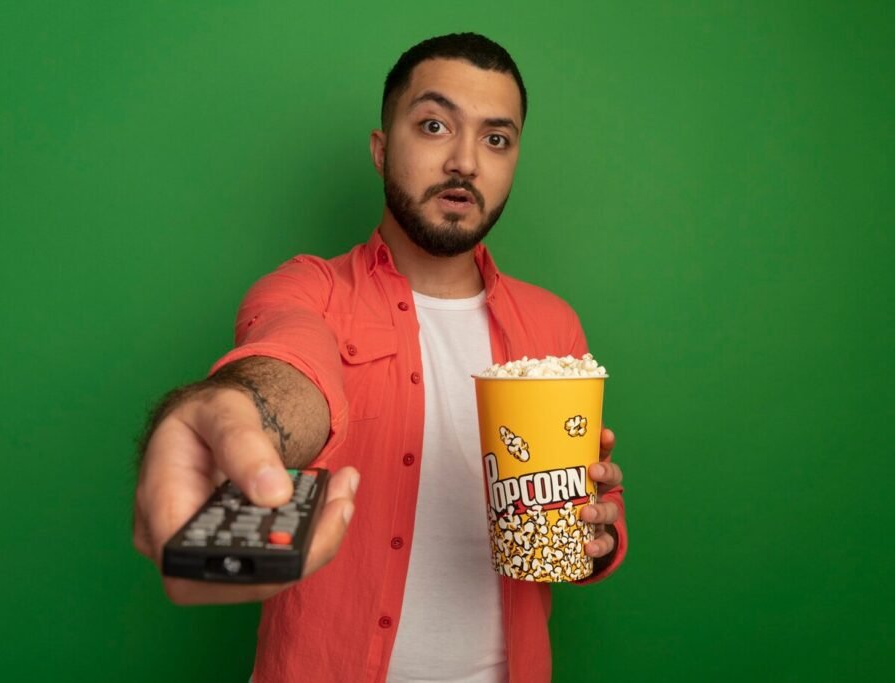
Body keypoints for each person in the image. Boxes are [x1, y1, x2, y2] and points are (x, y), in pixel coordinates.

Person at [133, 32, 627, 682]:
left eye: (496, 139)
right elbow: (287, 365)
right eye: (433, 125)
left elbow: (570, 530)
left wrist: (594, 537)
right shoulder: (307, 289)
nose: (465, 162)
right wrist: (234, 414)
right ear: (381, 148)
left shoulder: (553, 323)